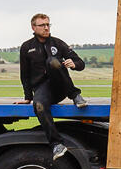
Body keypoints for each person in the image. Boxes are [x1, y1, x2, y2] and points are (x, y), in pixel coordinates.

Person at [17, 13, 87, 157]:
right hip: (42, 89)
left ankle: (75, 95)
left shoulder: (58, 43)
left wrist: (74, 64)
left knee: (52, 61)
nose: (46, 28)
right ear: (33, 27)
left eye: (48, 24)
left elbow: (81, 63)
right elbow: (25, 74)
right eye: (42, 25)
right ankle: (57, 144)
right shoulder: (26, 47)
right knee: (39, 105)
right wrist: (28, 97)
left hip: (60, 87)